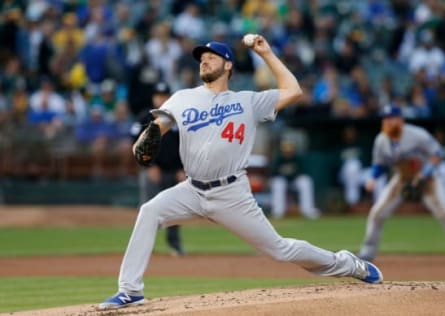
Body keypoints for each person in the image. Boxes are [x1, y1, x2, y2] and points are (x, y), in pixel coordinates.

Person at [99, 36, 383, 310]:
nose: (204, 61)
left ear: (228, 65)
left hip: (231, 193)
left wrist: (266, 54)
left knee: (279, 250)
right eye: (202, 58)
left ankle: (347, 263)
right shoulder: (182, 98)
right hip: (192, 190)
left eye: (212, 58)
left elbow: (293, 91)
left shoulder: (248, 101)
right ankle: (130, 291)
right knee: (149, 211)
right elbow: (156, 127)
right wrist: (145, 140)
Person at [358, 104, 445, 264]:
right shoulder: (381, 140)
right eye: (386, 119)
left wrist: (424, 174)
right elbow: (379, 164)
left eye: (392, 118)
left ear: (400, 120)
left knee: (444, 214)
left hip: (428, 180)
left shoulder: (416, 134)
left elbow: (437, 154)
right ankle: (367, 252)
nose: (388, 122)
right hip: (402, 179)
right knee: (377, 213)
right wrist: (372, 178)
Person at [130, 82, 185, 256]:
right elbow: (136, 142)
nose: (161, 98)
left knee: (174, 211)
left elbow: (187, 144)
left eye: (164, 95)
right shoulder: (144, 118)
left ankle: (175, 245)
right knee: (147, 209)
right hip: (152, 171)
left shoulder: (178, 117)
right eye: (158, 95)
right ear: (153, 97)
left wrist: (182, 168)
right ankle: (145, 248)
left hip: (174, 171)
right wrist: (149, 165)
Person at [269, 138, 320, 219]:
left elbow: (303, 171)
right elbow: (273, 173)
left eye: (289, 151)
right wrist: (285, 174)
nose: (288, 153)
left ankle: (307, 210)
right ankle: (278, 211)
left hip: (295, 181)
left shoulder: (298, 158)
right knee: (278, 183)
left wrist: (291, 174)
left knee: (305, 181)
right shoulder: (279, 159)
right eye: (286, 151)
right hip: (283, 181)